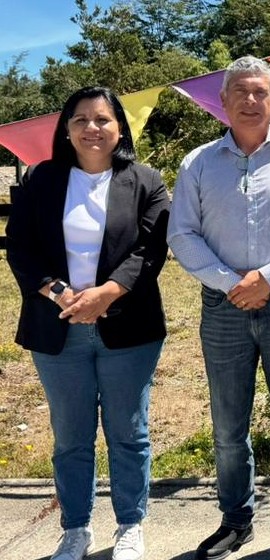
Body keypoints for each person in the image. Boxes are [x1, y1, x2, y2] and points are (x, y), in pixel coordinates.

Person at [166, 56, 270, 560]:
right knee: (227, 426)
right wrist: (232, 283)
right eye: (240, 91)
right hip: (223, 308)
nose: (250, 100)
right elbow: (182, 233)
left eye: (260, 92)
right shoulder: (197, 163)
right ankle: (236, 521)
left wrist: (268, 278)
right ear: (223, 101)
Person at [5, 86, 169, 560]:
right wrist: (60, 292)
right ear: (66, 128)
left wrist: (106, 293)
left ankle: (130, 525)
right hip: (57, 327)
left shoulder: (145, 181)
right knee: (71, 437)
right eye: (80, 119)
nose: (91, 128)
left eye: (102, 119)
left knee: (128, 433)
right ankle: (75, 528)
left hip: (129, 328)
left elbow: (150, 250)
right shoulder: (42, 179)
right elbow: (20, 247)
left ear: (120, 127)